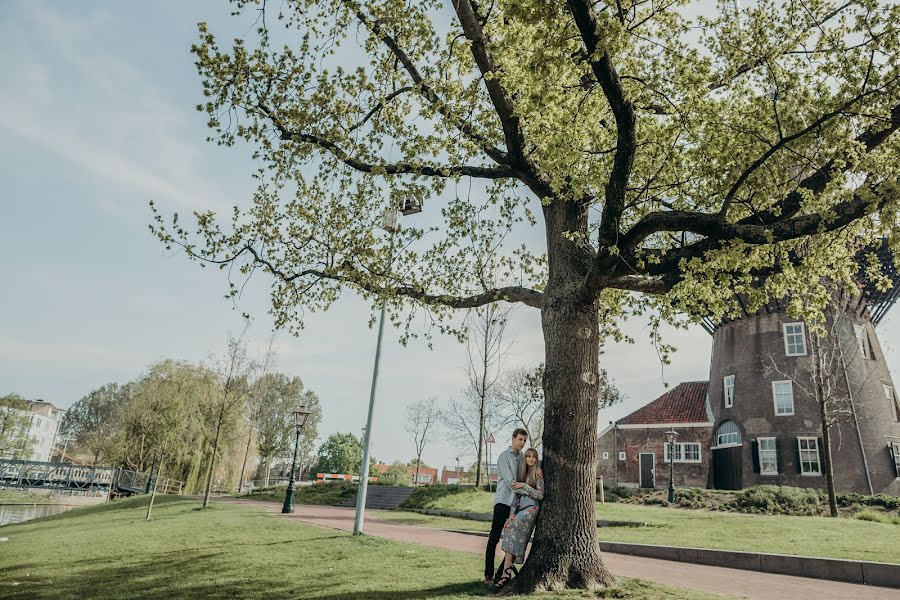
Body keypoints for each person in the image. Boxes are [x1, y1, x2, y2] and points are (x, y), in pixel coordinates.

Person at [495, 448, 544, 588]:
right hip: (519, 510)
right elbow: (516, 498)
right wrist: (511, 514)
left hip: (531, 509)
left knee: (512, 529)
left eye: (534, 457)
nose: (531, 459)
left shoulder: (538, 474)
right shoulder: (522, 474)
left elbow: (540, 495)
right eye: (528, 456)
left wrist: (525, 486)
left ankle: (506, 574)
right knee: (508, 528)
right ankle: (506, 574)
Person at [484, 428, 527, 584]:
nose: (522, 443)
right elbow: (511, 483)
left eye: (524, 440)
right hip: (502, 503)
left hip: (516, 506)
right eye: (520, 439)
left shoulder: (524, 458)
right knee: (494, 538)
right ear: (513, 438)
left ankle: (500, 575)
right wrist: (528, 489)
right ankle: (488, 575)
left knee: (513, 541)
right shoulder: (503, 457)